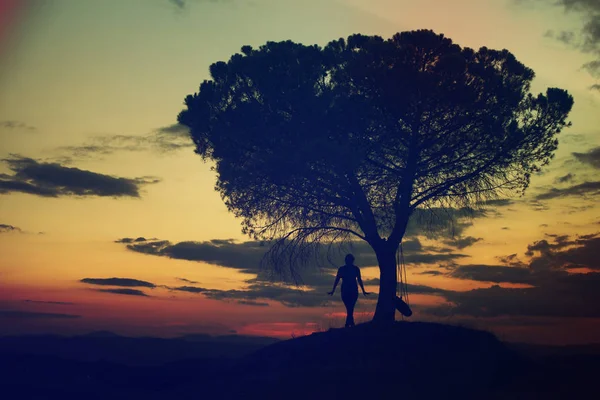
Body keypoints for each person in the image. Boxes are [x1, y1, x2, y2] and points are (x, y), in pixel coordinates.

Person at [328, 254, 369, 327]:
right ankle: (350, 323)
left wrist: (363, 290)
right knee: (349, 307)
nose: (348, 262)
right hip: (346, 290)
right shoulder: (342, 269)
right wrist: (333, 290)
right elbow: (337, 280)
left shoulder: (355, 269)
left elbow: (359, 280)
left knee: (350, 307)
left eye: (349, 260)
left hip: (352, 290)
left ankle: (349, 323)